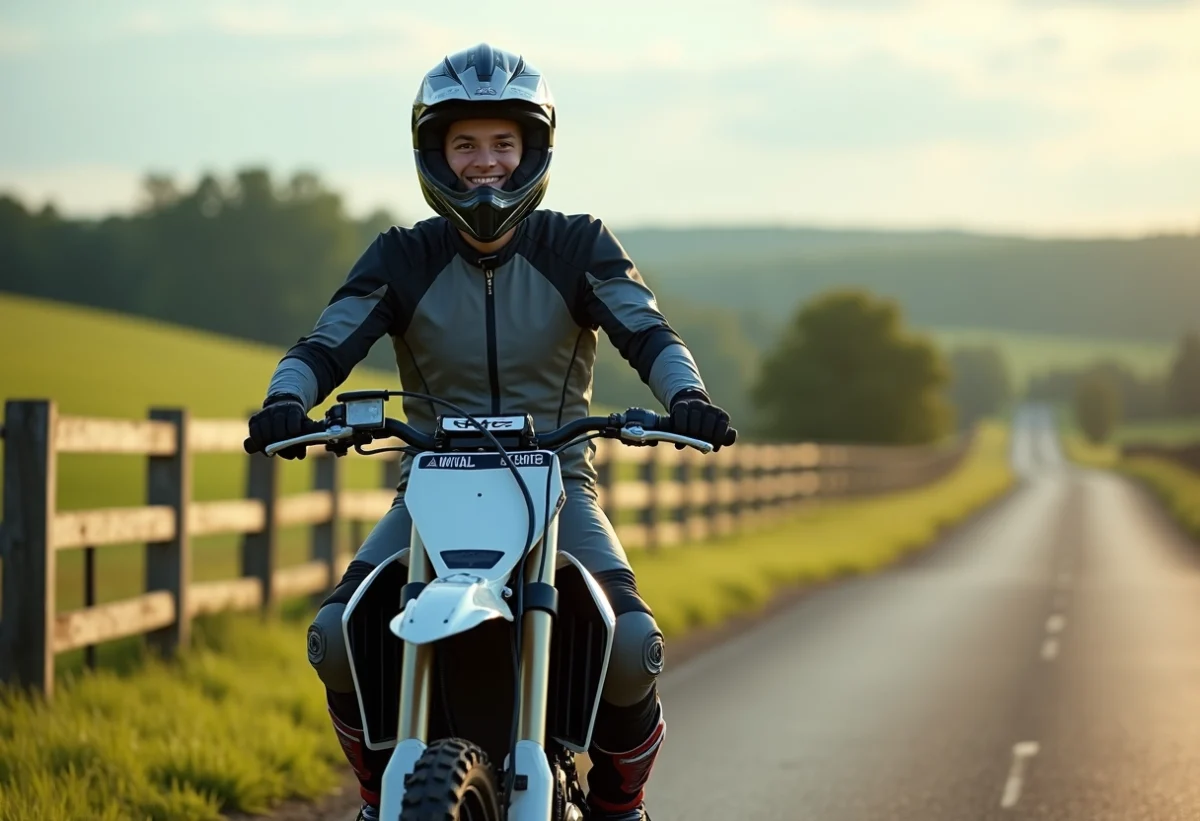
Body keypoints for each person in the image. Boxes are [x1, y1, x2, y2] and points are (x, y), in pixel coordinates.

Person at [243, 43, 734, 821]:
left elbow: (649, 332)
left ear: (532, 149)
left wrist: (689, 396)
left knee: (633, 646)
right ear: (434, 153)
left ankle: (619, 804)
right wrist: (284, 398)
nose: (485, 164)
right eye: (464, 144)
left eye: (503, 143)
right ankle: (382, 797)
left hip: (558, 481)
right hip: (431, 486)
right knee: (336, 634)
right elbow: (325, 342)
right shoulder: (402, 256)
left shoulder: (578, 244)